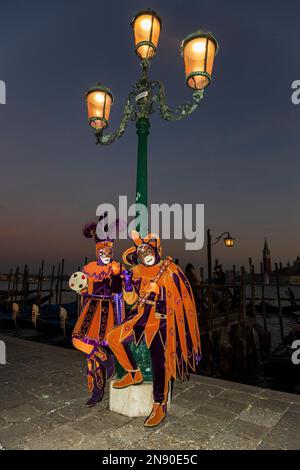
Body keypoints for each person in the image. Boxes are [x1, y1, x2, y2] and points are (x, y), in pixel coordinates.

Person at [107, 231, 201, 427]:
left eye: (148, 251)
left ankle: (160, 404)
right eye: (141, 254)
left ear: (156, 250)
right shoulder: (138, 272)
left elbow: (181, 300)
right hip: (140, 317)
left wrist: (161, 294)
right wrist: (120, 279)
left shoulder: (171, 270)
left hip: (162, 320)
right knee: (113, 337)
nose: (145, 256)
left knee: (160, 360)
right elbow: (129, 299)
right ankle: (134, 373)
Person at [71, 219, 123, 407]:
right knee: (78, 341)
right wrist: (81, 289)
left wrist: (116, 275)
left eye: (109, 251)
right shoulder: (89, 268)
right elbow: (85, 289)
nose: (106, 254)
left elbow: (118, 290)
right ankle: (106, 359)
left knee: (91, 357)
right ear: (97, 251)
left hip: (108, 312)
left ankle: (97, 391)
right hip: (90, 309)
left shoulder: (116, 268)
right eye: (102, 251)